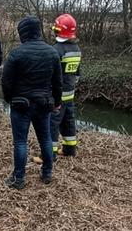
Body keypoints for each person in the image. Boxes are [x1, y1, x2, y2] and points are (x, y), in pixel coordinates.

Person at [1, 16, 62, 189]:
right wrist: (56, 102)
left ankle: (19, 179)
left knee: (20, 142)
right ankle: (47, 173)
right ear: (38, 31)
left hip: (21, 104)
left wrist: (9, 99)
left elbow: (6, 82)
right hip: (44, 103)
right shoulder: (52, 53)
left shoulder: (16, 53)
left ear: (23, 33)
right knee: (46, 139)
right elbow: (58, 82)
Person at [49, 14, 82, 160]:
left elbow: (51, 75)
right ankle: (69, 150)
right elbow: (77, 73)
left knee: (52, 123)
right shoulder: (76, 49)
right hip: (70, 93)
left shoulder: (56, 49)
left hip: (57, 95)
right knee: (68, 121)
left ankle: (49, 154)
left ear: (58, 30)